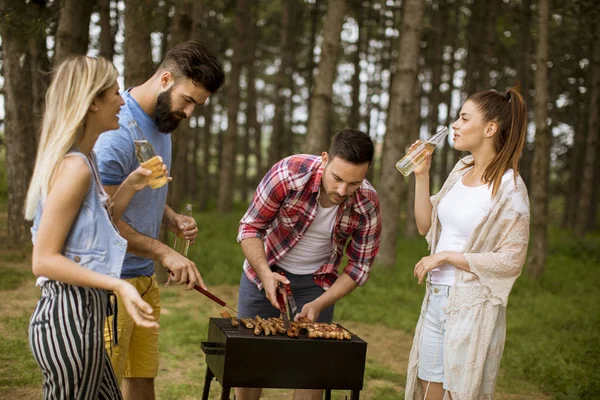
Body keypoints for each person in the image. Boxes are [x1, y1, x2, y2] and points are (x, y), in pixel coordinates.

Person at [93, 40, 224, 400]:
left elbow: (143, 191)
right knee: (104, 386)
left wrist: (171, 219)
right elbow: (102, 218)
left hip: (144, 279)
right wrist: (165, 253)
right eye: (189, 100)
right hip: (111, 284)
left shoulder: (161, 125)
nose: (190, 112)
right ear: (166, 78)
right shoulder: (115, 133)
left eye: (198, 105)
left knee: (142, 378)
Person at [25, 55, 162, 400]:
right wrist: (120, 284)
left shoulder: (87, 160)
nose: (121, 100)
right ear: (91, 103)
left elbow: (96, 229)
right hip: (68, 318)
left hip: (87, 316)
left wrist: (130, 185)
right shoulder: (75, 169)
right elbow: (43, 260)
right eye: (114, 93)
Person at [235, 129, 382, 400]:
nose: (342, 190)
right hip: (264, 272)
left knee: (313, 369)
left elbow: (359, 267)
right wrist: (266, 274)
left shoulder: (367, 202)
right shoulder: (288, 174)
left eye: (353, 183)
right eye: (337, 178)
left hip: (319, 283)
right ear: (325, 159)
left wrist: (319, 304)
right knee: (249, 363)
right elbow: (250, 228)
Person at [404, 87, 531, 400]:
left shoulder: (510, 188)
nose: (455, 125)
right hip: (435, 298)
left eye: (464, 118)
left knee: (458, 393)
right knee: (428, 390)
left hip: (472, 305)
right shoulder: (460, 171)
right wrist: (422, 175)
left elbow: (511, 260)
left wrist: (448, 256)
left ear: (489, 129)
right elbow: (425, 225)